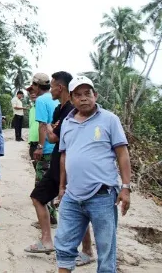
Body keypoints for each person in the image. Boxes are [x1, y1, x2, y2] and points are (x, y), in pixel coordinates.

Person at [54, 75, 131, 273]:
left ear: (95, 95)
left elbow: (122, 154)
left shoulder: (109, 120)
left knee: (106, 251)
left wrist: (126, 187)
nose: (83, 98)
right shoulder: (68, 123)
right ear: (71, 99)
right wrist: (62, 188)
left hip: (102, 195)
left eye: (87, 93)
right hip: (72, 196)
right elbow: (64, 157)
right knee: (64, 245)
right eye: (78, 95)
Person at [25, 72, 95, 267]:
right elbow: (53, 136)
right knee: (38, 196)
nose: (51, 89)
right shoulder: (59, 109)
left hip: (71, 165)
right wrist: (51, 128)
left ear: (61, 87)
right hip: (58, 163)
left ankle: (87, 251)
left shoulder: (72, 111)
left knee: (78, 207)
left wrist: (48, 127)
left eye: (53, 85)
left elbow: (53, 137)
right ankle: (47, 240)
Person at [28, 73, 59, 225]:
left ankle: (47, 220)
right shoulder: (55, 99)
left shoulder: (41, 100)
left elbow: (42, 125)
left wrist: (40, 147)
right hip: (58, 149)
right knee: (51, 184)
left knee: (41, 187)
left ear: (36, 85)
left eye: (33, 85)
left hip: (47, 149)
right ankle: (51, 217)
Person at [26, 87, 39, 171]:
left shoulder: (43, 106)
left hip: (41, 143)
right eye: (31, 93)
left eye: (35, 92)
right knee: (36, 169)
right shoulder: (32, 109)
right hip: (33, 142)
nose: (33, 94)